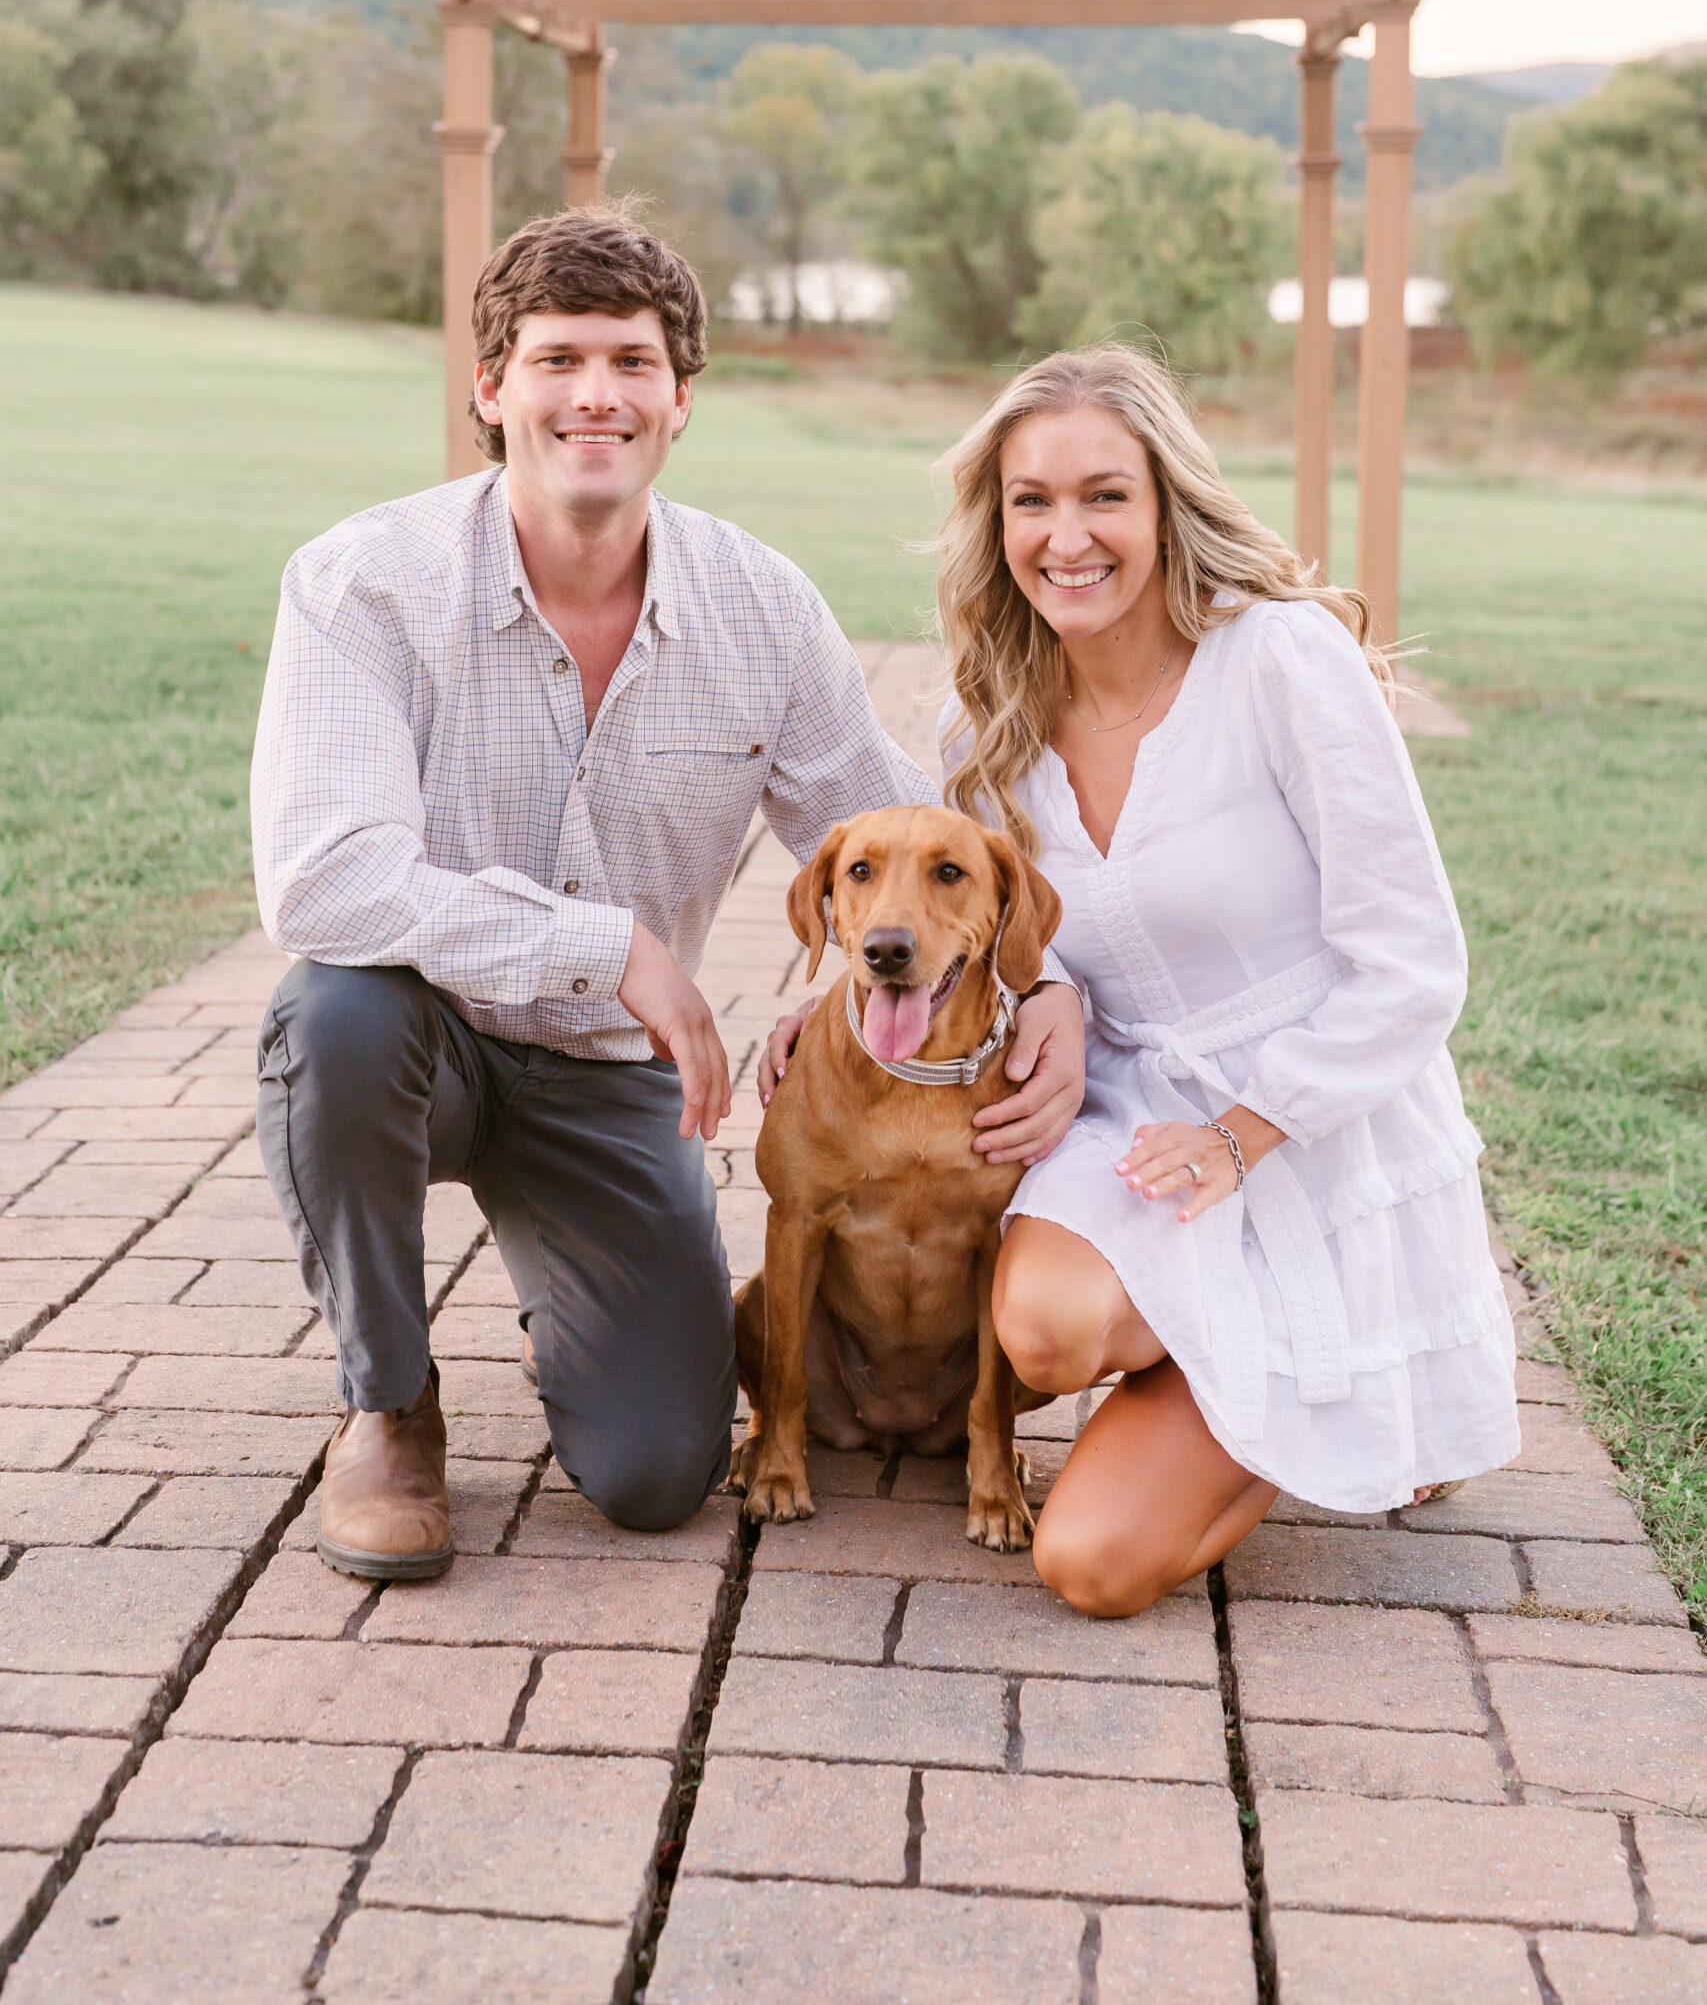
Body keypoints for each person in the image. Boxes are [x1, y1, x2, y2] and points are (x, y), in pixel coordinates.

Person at [250, 207, 1084, 1581]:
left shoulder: (760, 607)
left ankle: (577, 1311)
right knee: (330, 1023)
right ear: (489, 389)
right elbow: (325, 881)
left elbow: (894, 836)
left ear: (679, 399)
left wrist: (1049, 987)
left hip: (608, 1085)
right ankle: (387, 1403)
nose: (594, 394)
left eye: (631, 362)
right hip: (424, 1038)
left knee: (653, 1473)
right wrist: (610, 943)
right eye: (557, 358)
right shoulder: (362, 583)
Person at [761, 343, 1518, 1617]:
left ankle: (1315, 1377)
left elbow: (1414, 962)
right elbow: (999, 930)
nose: (1069, 536)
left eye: (1105, 495)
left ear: (1169, 501)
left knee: (1091, 1566)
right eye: (1031, 501)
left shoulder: (1280, 662)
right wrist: (1017, 997)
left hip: (1308, 1127)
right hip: (1128, 1127)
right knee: (1040, 1328)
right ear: (993, 522)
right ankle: (1233, 1370)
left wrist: (1244, 1132)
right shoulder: (988, 724)